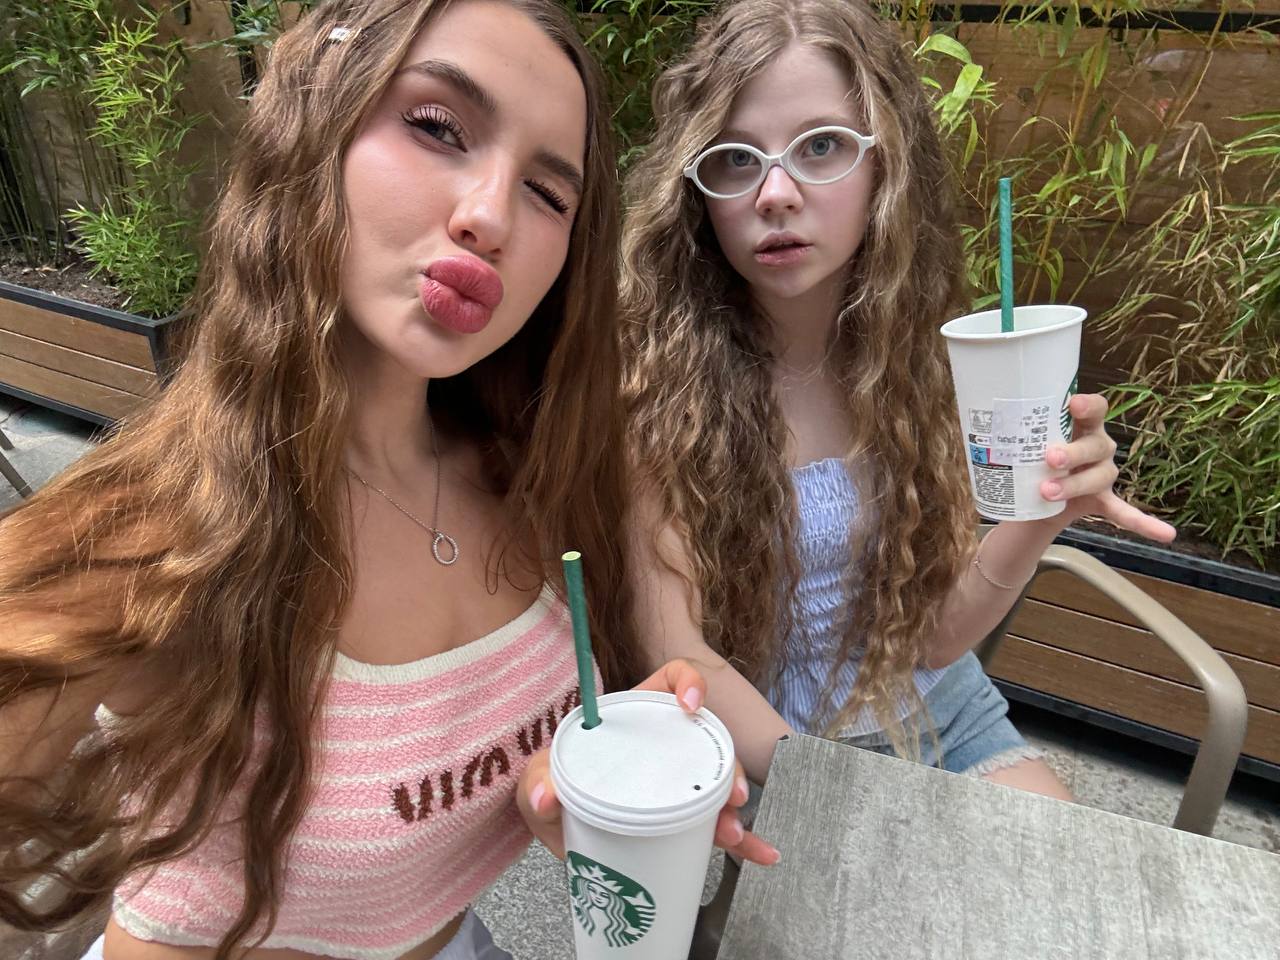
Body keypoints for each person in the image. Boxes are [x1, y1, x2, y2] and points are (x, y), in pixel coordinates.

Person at [0, 3, 771, 959]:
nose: (489, 215)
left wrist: (577, 777)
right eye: (438, 127)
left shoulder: (539, 476)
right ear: (313, 126)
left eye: (547, 192)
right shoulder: (146, 539)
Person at [617, 0, 1178, 799]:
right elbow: (678, 653)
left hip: (945, 715)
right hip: (782, 754)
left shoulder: (921, 361)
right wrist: (836, 793)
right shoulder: (653, 390)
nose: (775, 192)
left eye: (821, 146)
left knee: (1055, 853)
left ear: (886, 165)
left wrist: (1041, 513)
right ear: (696, 190)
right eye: (736, 158)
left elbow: (936, 641)